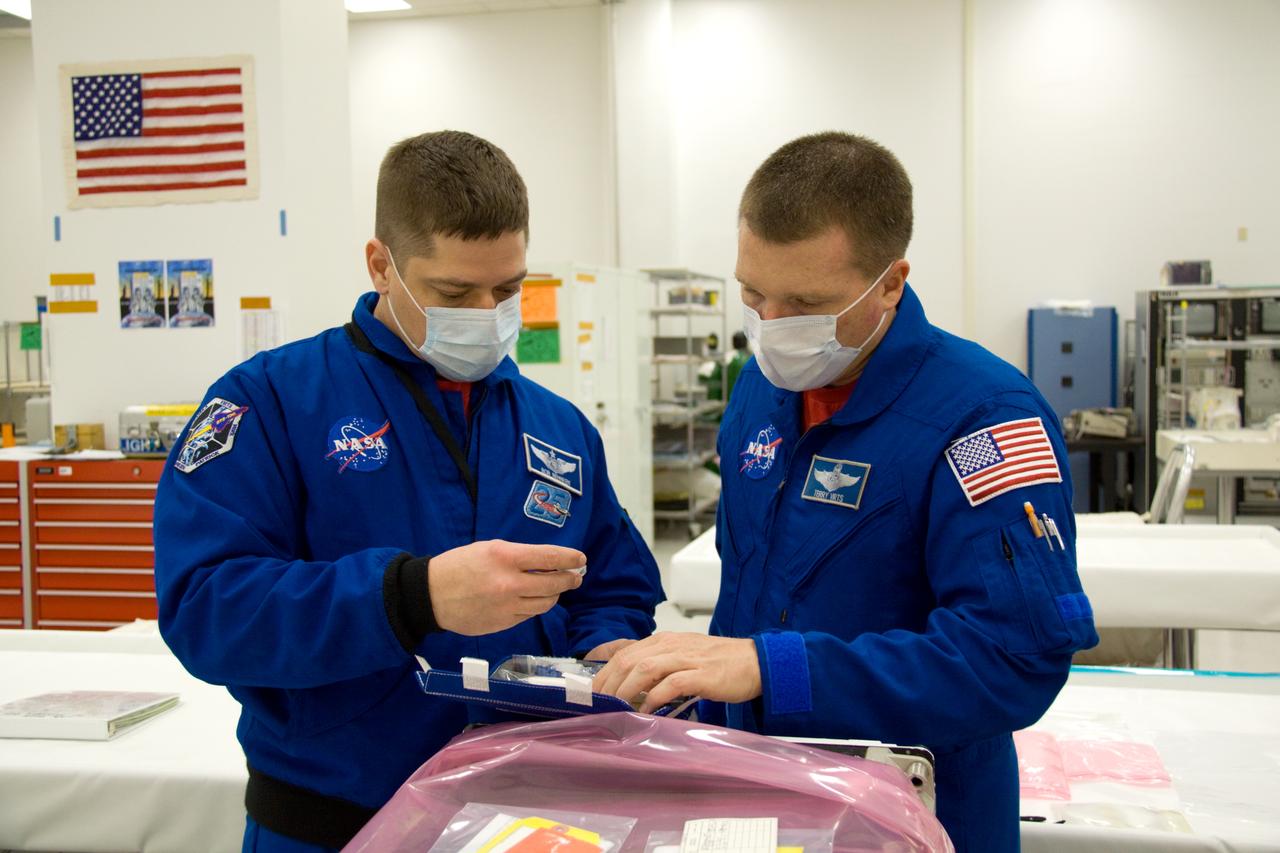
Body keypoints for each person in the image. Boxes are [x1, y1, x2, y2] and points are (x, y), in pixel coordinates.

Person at [153, 131, 664, 853]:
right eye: (456, 292)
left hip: (535, 816)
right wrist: (409, 597)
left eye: (508, 288)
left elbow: (611, 582)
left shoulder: (558, 426)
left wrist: (608, 647)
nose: (488, 312)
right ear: (380, 265)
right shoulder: (268, 402)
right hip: (331, 818)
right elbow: (207, 609)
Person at [594, 132, 1097, 851]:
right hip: (756, 789)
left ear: (890, 282)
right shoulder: (759, 392)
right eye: (754, 295)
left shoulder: (982, 419)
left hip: (913, 811)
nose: (771, 327)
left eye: (806, 303)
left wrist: (773, 667)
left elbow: (1012, 659)